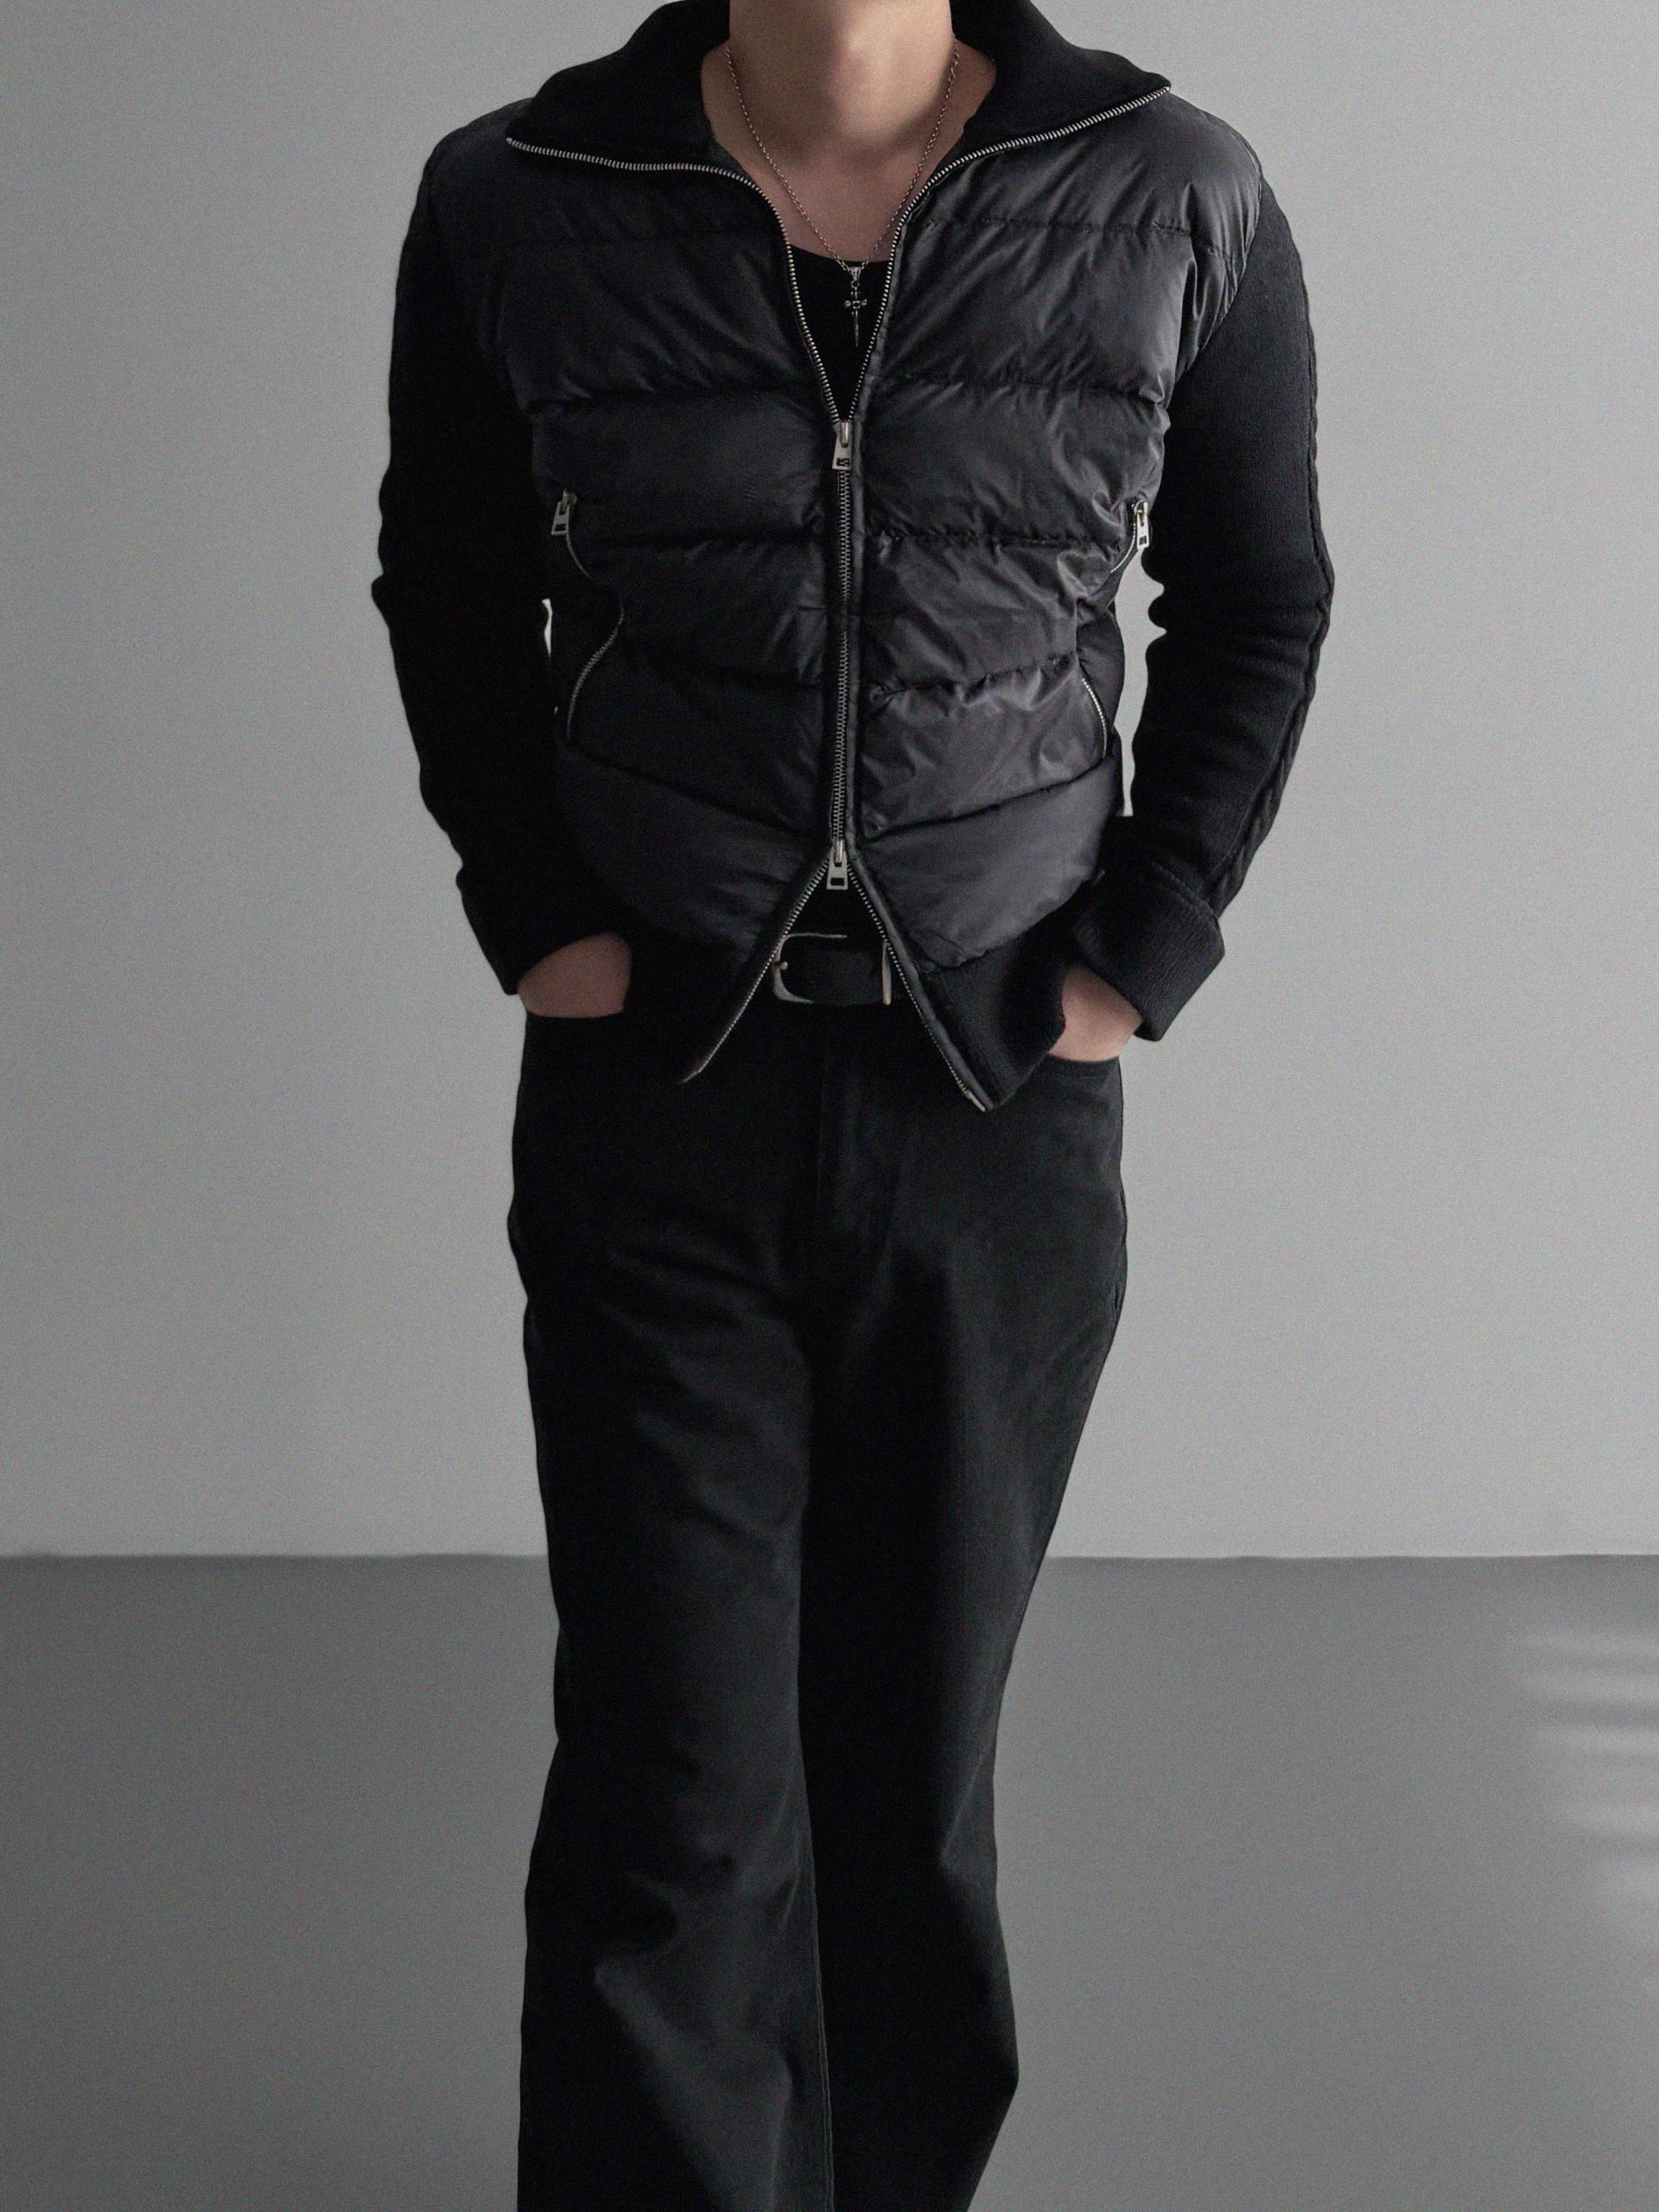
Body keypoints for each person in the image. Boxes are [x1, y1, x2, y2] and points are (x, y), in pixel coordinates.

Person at [370, 0, 1333, 2204]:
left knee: (907, 1773)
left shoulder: (1173, 188)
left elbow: (1261, 595)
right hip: (663, 1086)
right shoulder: (518, 194)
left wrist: (1141, 949)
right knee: (679, 1778)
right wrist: (538, 915)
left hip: (992, 1098)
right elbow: (451, 573)